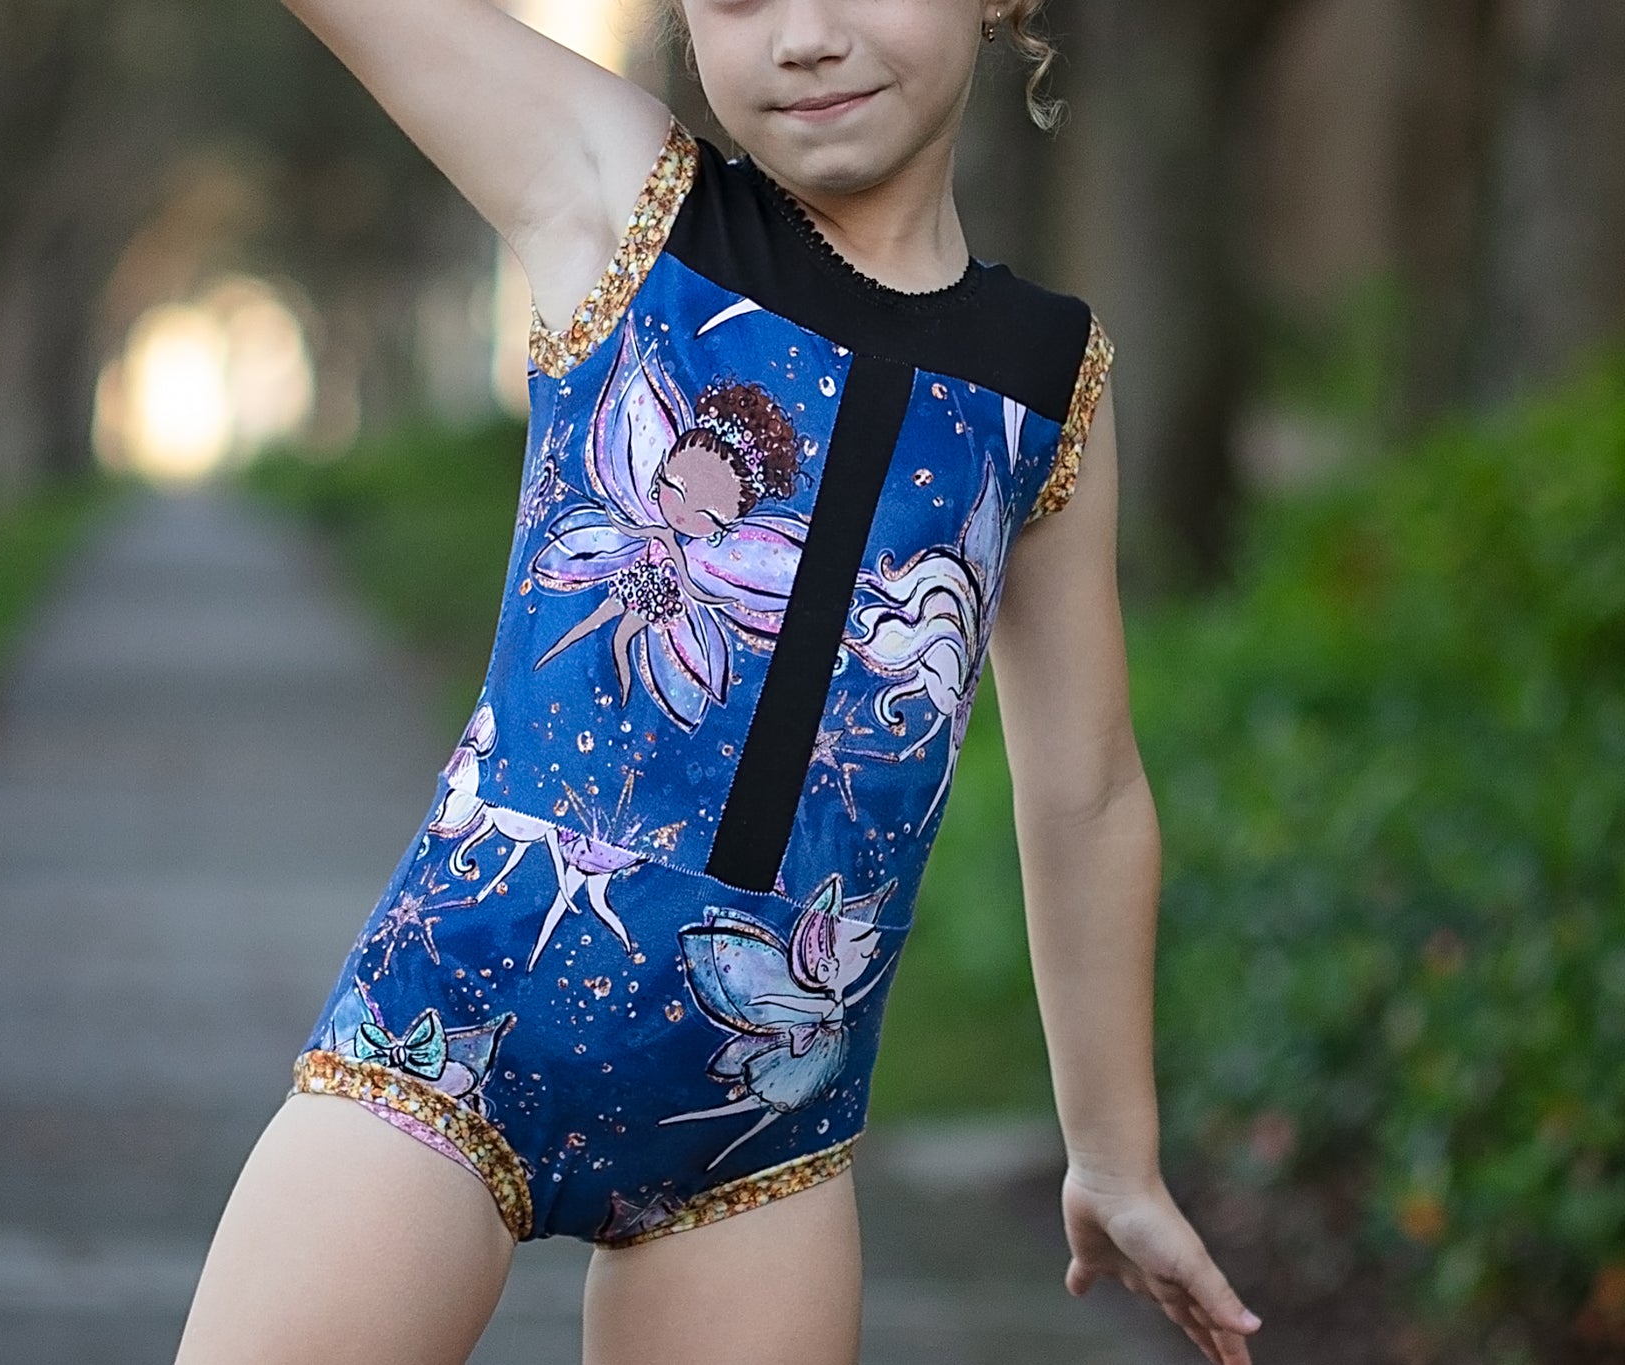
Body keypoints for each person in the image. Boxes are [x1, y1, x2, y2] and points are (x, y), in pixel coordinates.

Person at [173, 2, 1264, 1363]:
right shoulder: (619, 196)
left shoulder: (1046, 383)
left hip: (761, 1137)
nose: (802, 36)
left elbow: (1086, 792)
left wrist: (1113, 1157)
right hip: (450, 1032)